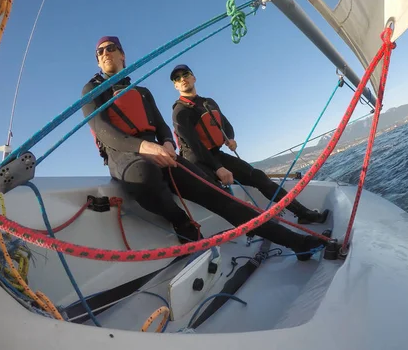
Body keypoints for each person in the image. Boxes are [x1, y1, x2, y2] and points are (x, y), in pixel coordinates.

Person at [81, 36, 324, 260]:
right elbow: (103, 129)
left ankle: (297, 243)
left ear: (122, 54)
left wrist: (165, 142)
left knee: (219, 195)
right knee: (145, 174)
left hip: (159, 151)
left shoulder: (142, 93)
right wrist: (144, 146)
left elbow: (162, 127)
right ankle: (182, 223)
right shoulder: (91, 91)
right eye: (99, 52)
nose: (104, 53)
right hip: (123, 155)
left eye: (110, 48)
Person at [169, 64, 329, 225]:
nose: (182, 79)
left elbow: (226, 125)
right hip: (197, 161)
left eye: (186, 74)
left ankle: (303, 214)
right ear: (175, 85)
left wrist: (230, 138)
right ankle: (258, 229)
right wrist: (218, 168)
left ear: (193, 78)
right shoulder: (180, 112)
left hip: (215, 154)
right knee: (224, 197)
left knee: (258, 176)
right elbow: (194, 145)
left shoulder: (208, 102)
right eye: (177, 78)